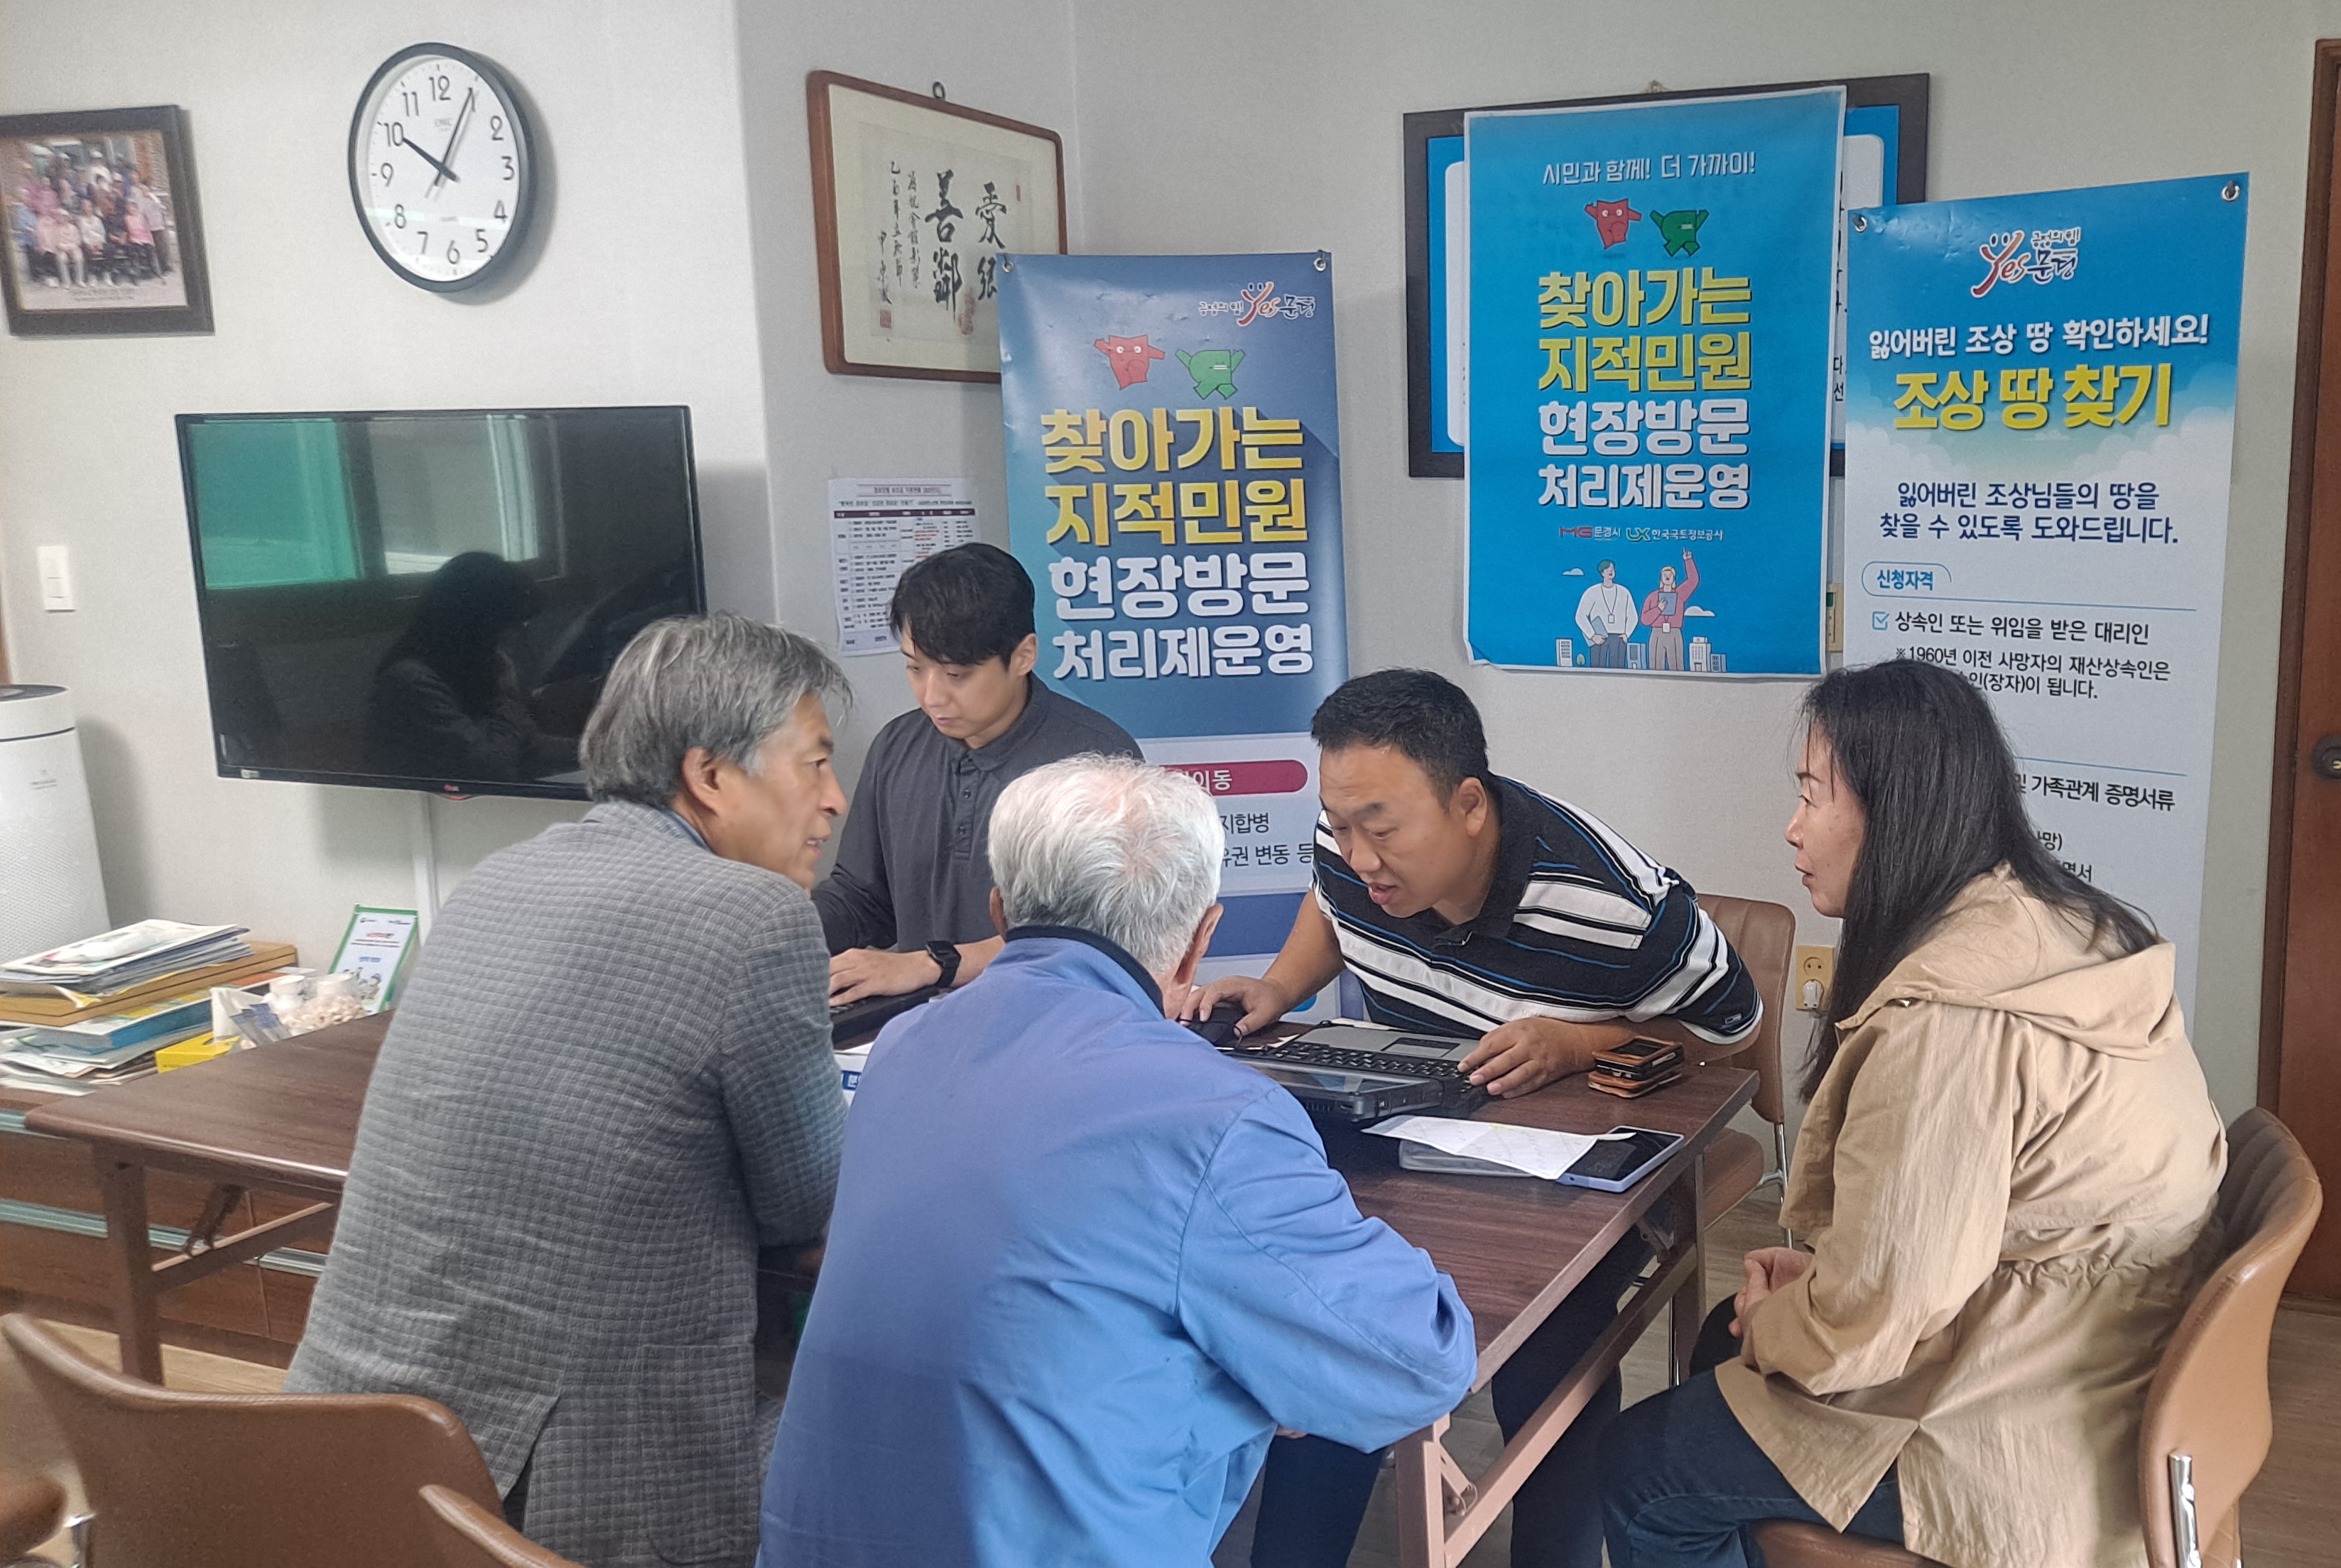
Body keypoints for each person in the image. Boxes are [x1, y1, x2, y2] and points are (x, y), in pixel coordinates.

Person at [759, 754, 1475, 1567]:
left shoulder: (901, 1047)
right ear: (1198, 940)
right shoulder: (1213, 1115)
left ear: (1000, 911)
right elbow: (1415, 1363)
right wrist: (1257, 1369)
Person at [1601, 658, 2228, 1568]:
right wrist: (1824, 1285)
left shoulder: (1948, 1024)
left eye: (1811, 796)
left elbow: (1879, 1315)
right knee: (1719, 1341)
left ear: (1894, 811)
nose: (1791, 828)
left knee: (1639, 1470)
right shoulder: (2065, 925)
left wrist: (1795, 1311)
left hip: (2018, 1425)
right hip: (2099, 1352)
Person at [287, 614, 853, 1568]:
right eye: (817, 763)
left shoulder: (497, 877)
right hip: (552, 1492)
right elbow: (809, 1204)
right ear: (710, 775)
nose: (835, 799)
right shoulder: (755, 916)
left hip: (342, 1448)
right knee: (886, 1462)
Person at [1187, 667, 1761, 1568]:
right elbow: (1333, 905)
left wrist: (1579, 1044)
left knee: (1551, 1355)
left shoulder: (1614, 905)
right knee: (1335, 1329)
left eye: (1381, 829)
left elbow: (1731, 1028)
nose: (1358, 855)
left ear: (1467, 804)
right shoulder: (1349, 843)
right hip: (1408, 1134)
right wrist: (1279, 986)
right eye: (1340, 824)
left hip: (1557, 1165)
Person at [811, 542, 1138, 1006]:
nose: (932, 696)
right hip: (927, 1025)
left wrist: (932, 965)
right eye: (915, 668)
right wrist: (780, 933)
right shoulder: (896, 746)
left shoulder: (1097, 762)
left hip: (1055, 1025)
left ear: (1023, 656)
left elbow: (1096, 938)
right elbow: (864, 899)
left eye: (956, 675)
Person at [365, 550, 578, 784]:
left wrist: (597, 754)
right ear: (480, 624)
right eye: (513, 624)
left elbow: (528, 744)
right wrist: (506, 699)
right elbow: (489, 768)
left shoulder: (474, 669)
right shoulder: (412, 683)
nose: (519, 638)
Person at [1641, 550, 1700, 672]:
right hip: (1657, 633)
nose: (1667, 577)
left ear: (1674, 578)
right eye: (1665, 575)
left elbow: (1693, 580)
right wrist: (1658, 609)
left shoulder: (1680, 594)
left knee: (1677, 667)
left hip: (1674, 632)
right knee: (1655, 667)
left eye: (1670, 575)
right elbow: (1645, 620)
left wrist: (1688, 560)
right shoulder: (1653, 596)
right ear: (1661, 578)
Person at [1575, 558, 1636, 668]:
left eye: (1612, 569)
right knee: (1597, 668)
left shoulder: (1624, 592)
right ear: (1602, 573)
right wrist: (1592, 636)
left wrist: (1627, 634)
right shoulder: (1592, 592)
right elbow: (1580, 616)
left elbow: (1633, 616)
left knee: (1618, 669)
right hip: (1599, 636)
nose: (1610, 571)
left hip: (1618, 636)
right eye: (1607, 569)